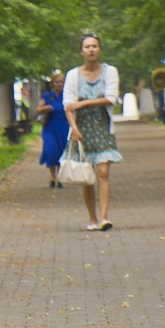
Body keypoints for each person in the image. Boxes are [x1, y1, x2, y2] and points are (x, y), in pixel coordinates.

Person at [63, 33, 122, 231]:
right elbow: (68, 105)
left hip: (102, 127)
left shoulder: (110, 72)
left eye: (94, 46)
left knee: (103, 172)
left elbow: (111, 98)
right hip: (82, 129)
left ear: (99, 49)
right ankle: (92, 217)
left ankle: (104, 217)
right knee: (87, 176)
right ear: (81, 51)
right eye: (87, 46)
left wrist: (85, 102)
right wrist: (74, 129)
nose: (91, 49)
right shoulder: (73, 75)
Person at [36, 72, 68, 187]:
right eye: (57, 82)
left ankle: (60, 177)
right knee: (51, 150)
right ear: (52, 83)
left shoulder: (68, 95)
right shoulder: (47, 96)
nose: (60, 84)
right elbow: (38, 110)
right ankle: (52, 177)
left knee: (62, 151)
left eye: (62, 82)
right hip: (50, 127)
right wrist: (47, 107)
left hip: (64, 126)